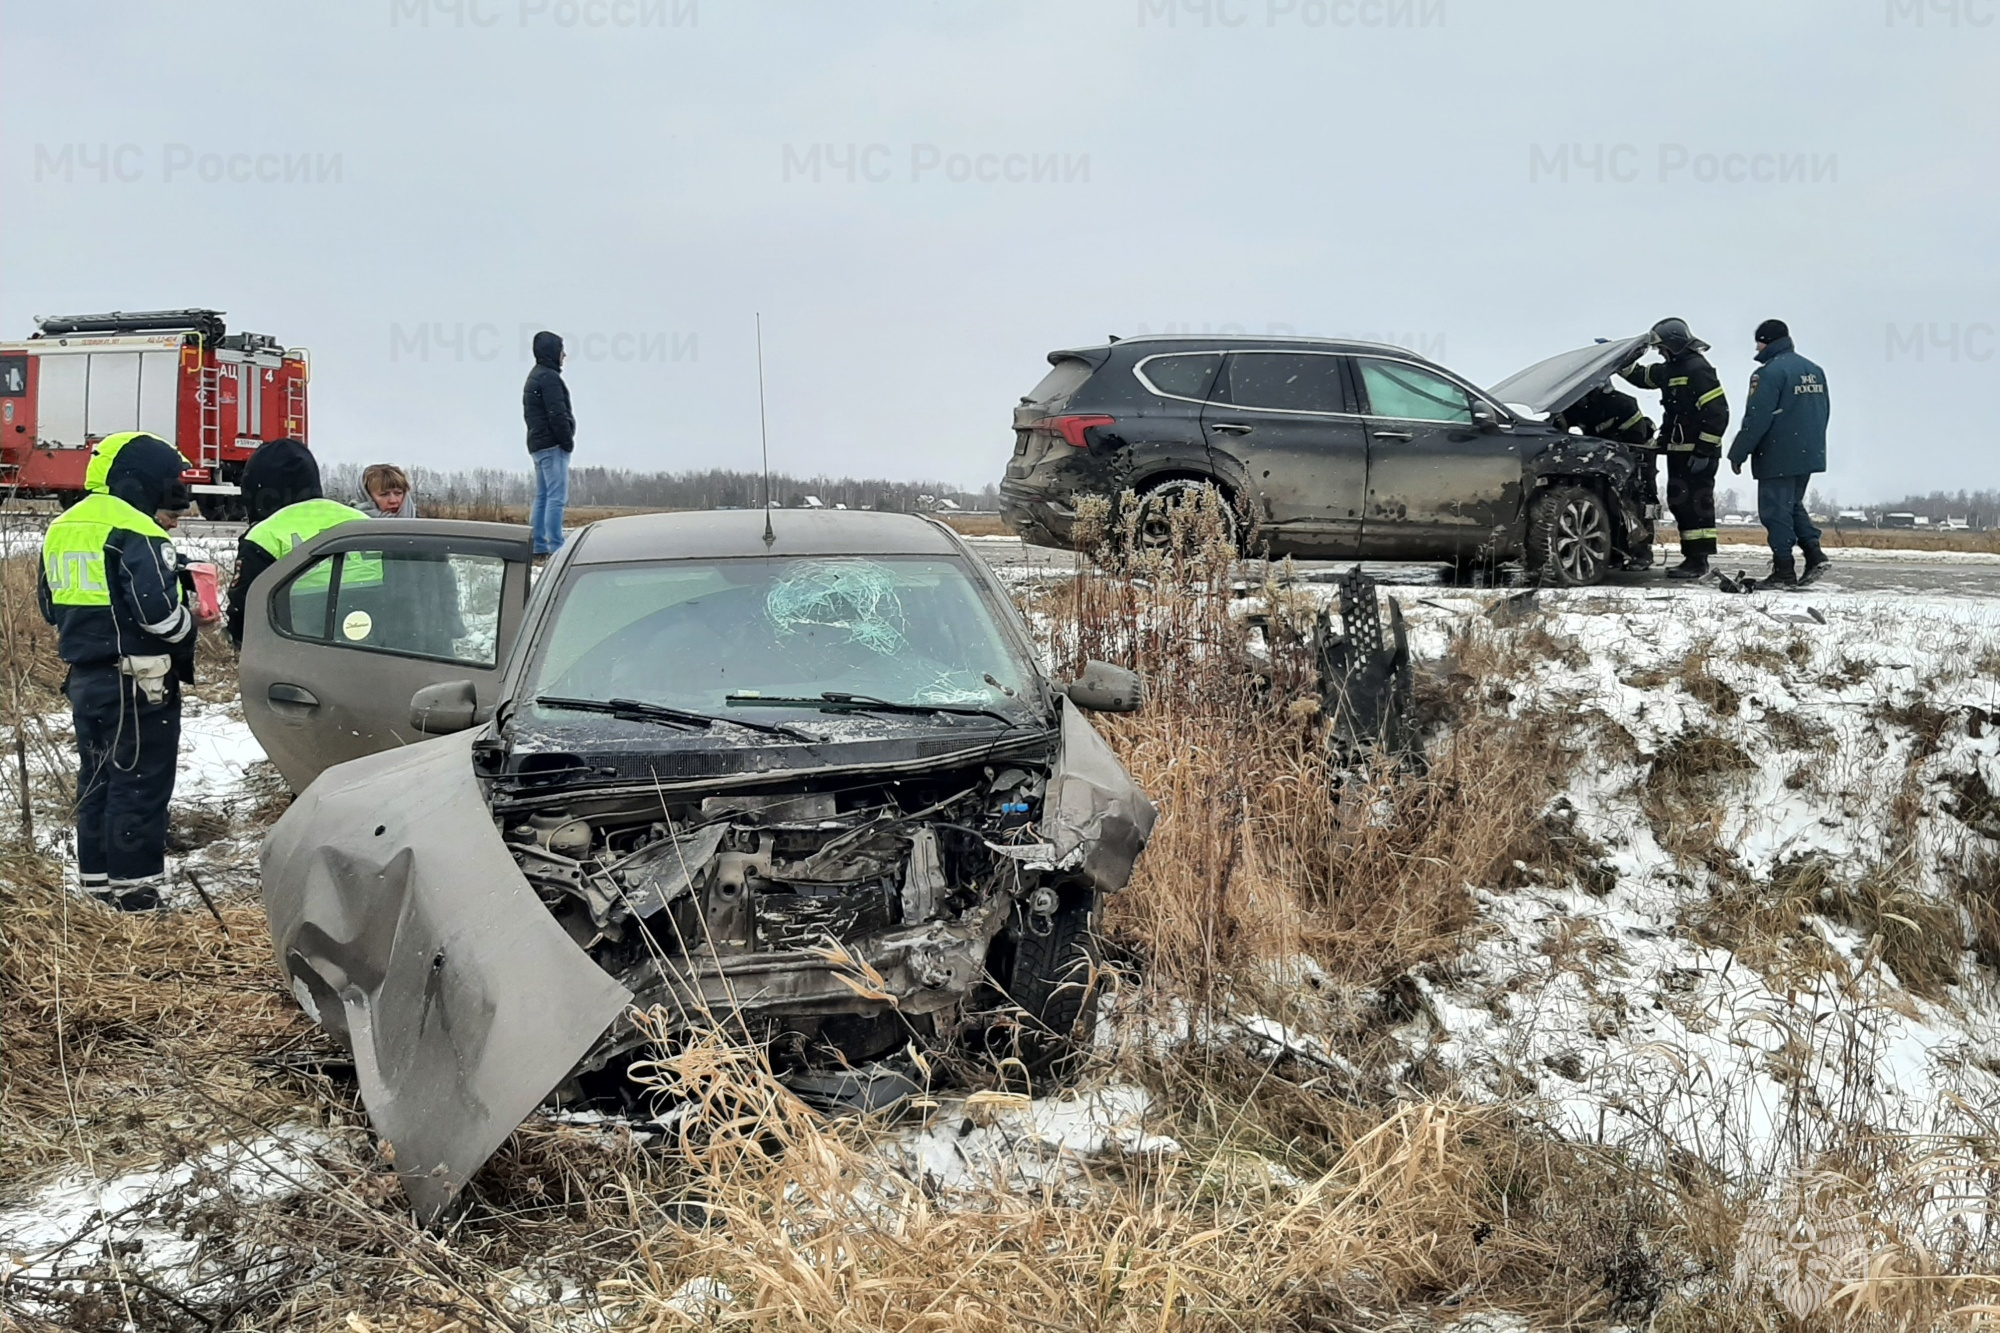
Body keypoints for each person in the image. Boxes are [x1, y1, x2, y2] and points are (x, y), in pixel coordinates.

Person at [37, 431, 215, 910]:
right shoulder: (139, 531)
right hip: (141, 680)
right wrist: (190, 620)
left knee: (95, 779)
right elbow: (157, 615)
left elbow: (50, 608)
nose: (172, 512)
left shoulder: (62, 528)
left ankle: (96, 886)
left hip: (84, 678)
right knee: (140, 780)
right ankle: (137, 893)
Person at [225, 439, 368, 649]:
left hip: (298, 651)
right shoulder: (363, 521)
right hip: (368, 642)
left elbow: (246, 609)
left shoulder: (266, 534)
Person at [1619, 318, 1731, 579]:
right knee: (1681, 502)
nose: (1660, 352)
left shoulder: (1698, 369)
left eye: (1662, 348)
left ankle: (1698, 560)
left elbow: (1717, 412)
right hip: (1679, 451)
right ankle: (1692, 558)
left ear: (1675, 345)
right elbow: (1642, 377)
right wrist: (1619, 362)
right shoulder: (1671, 369)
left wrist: (1703, 450)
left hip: (1696, 453)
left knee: (1696, 504)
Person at [1728, 319, 1831, 589]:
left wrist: (1739, 452)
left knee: (1775, 512)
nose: (1756, 347)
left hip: (1779, 454)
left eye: (1758, 341)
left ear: (1767, 341)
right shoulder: (1814, 370)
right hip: (1808, 451)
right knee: (1793, 506)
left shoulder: (1769, 374)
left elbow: (1757, 418)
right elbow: (1824, 411)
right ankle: (1814, 554)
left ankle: (1783, 571)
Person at [523, 330, 575, 559]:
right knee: (556, 496)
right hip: (552, 445)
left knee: (543, 495)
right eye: (561, 349)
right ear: (552, 351)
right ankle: (555, 546)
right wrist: (567, 440)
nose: (564, 355)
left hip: (538, 443)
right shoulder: (549, 378)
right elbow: (557, 413)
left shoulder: (536, 376)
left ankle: (537, 544)